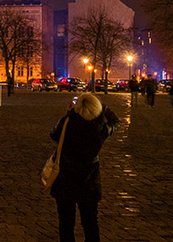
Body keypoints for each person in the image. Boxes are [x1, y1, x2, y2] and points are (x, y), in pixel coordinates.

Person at [48, 91, 121, 242]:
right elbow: (116, 121)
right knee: (90, 223)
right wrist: (103, 108)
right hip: (89, 182)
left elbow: (54, 134)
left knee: (66, 223)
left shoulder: (68, 123)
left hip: (65, 179)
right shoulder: (100, 129)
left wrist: (69, 114)